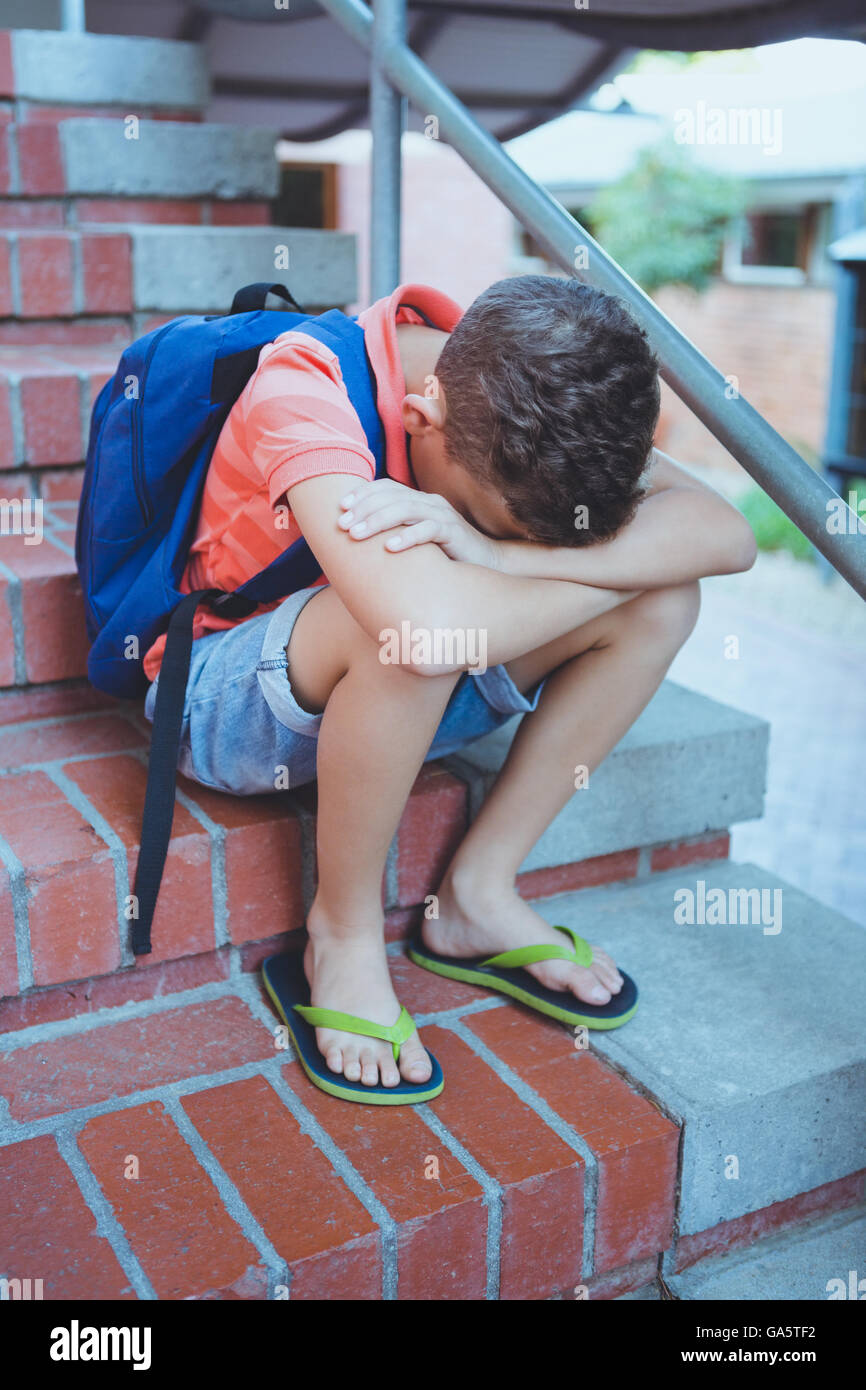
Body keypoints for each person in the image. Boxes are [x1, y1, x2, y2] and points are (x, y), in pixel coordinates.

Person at [143, 275, 756, 1102]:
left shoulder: (540, 385)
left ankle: (475, 894)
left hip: (413, 677)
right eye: (495, 520)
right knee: (402, 624)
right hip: (223, 701)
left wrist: (506, 555)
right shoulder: (303, 386)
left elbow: (727, 533)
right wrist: (584, 569)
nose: (496, 538)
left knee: (668, 597)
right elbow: (423, 632)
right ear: (420, 420)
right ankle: (343, 935)